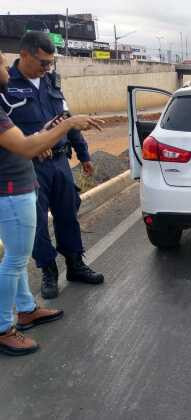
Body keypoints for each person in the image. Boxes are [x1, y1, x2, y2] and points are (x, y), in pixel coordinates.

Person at [0, 50, 103, 356]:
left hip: (28, 179)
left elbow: (29, 139)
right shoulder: (7, 95)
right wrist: (67, 124)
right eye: (0, 64)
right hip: (11, 189)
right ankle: (4, 327)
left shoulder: (52, 84)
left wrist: (75, 148)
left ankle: (28, 309)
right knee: (16, 260)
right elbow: (27, 145)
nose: (5, 68)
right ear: (26, 55)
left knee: (60, 220)